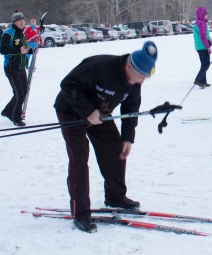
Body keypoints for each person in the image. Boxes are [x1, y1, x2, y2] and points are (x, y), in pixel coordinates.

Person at [54, 41, 158, 233]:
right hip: (70, 111)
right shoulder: (100, 66)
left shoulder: (134, 82)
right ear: (129, 66)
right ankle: (81, 212)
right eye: (139, 76)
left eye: (145, 78)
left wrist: (128, 137)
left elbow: (131, 109)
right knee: (79, 158)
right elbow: (68, 84)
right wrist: (87, 110)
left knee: (115, 149)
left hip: (100, 114)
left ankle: (115, 196)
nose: (140, 82)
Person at [0, 11, 34, 126]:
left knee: (24, 90)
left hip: (21, 67)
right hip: (11, 67)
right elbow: (3, 50)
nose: (22, 23)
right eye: (20, 21)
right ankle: (16, 117)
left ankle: (7, 111)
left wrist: (31, 50)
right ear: (14, 22)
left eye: (23, 20)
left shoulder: (22, 34)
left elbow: (23, 48)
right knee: (19, 92)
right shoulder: (8, 33)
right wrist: (17, 51)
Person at [193, 6, 212, 88]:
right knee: (206, 64)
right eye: (206, 14)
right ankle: (198, 80)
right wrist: (208, 47)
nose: (207, 16)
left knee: (204, 64)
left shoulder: (198, 22)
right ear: (202, 14)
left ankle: (203, 81)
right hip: (203, 47)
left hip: (199, 46)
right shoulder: (201, 23)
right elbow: (203, 36)